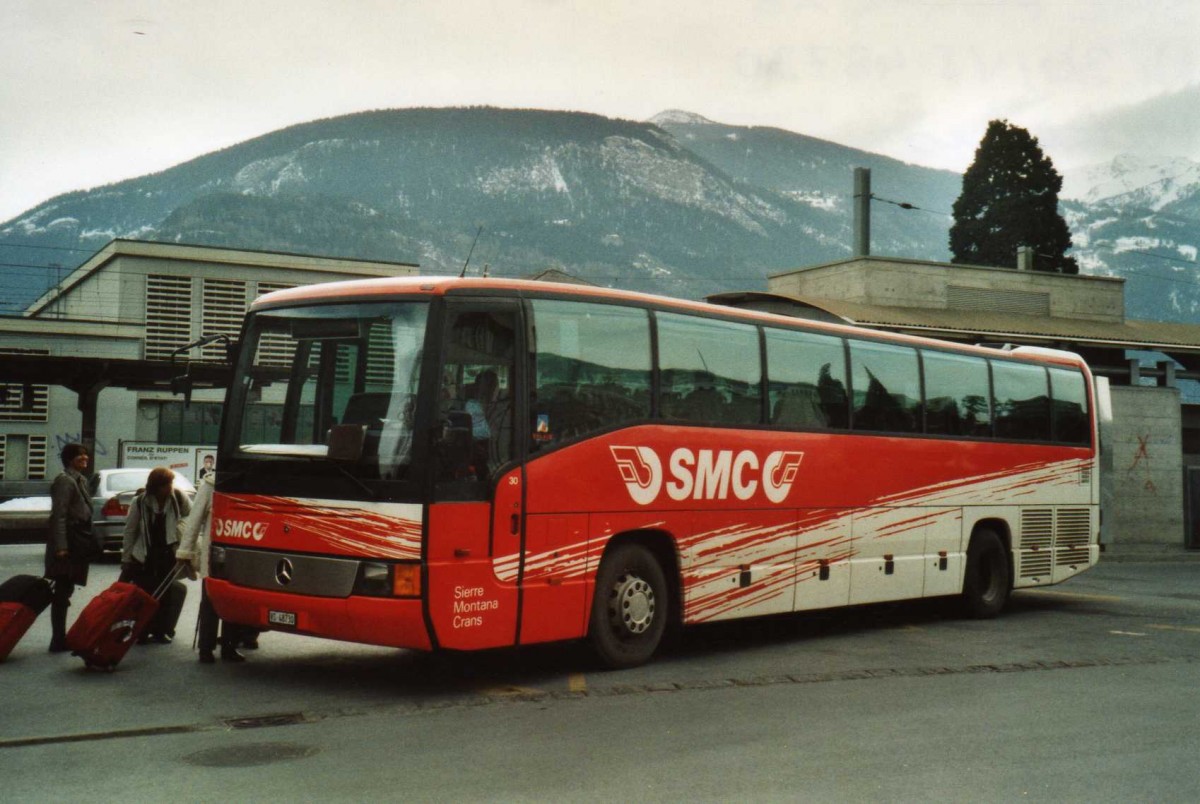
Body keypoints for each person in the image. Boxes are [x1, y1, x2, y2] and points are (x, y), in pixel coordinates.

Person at [176, 471, 249, 663]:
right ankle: (205, 648)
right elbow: (194, 520)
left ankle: (229, 646)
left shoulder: (244, 481)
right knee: (209, 602)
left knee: (234, 599)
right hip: (214, 552)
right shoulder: (210, 484)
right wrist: (185, 551)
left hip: (237, 550)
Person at [120, 466, 190, 643]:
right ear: (157, 486)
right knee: (145, 593)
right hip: (145, 554)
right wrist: (126, 558)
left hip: (167, 553)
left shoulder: (178, 497)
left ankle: (161, 630)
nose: (170, 487)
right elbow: (130, 531)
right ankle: (142, 631)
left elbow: (190, 515)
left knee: (165, 594)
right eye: (167, 484)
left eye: (171, 483)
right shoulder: (140, 502)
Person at [45, 443, 94, 653]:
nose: (84, 458)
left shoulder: (79, 480)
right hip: (69, 540)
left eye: (86, 454)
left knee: (67, 587)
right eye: (79, 455)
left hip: (78, 538)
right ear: (69, 459)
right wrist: (61, 547)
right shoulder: (65, 481)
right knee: (62, 589)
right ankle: (57, 639)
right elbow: (60, 516)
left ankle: (59, 637)